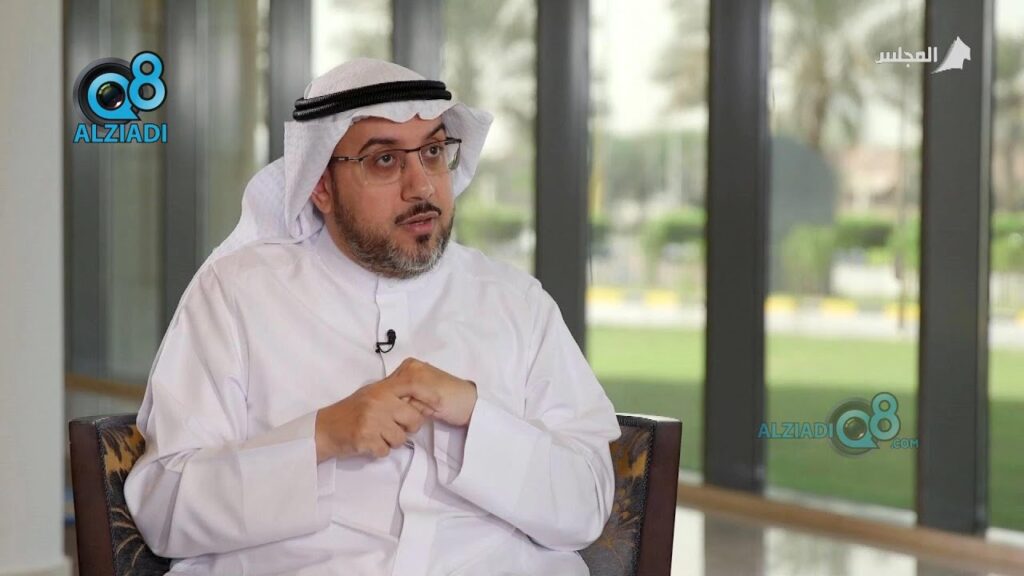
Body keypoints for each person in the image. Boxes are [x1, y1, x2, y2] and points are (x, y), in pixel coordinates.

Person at [124, 58, 620, 576]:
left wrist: (475, 416)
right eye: (384, 160)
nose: (421, 187)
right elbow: (167, 510)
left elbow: (585, 505)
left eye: (433, 152)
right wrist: (321, 436)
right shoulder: (235, 296)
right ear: (320, 185)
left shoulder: (516, 303)